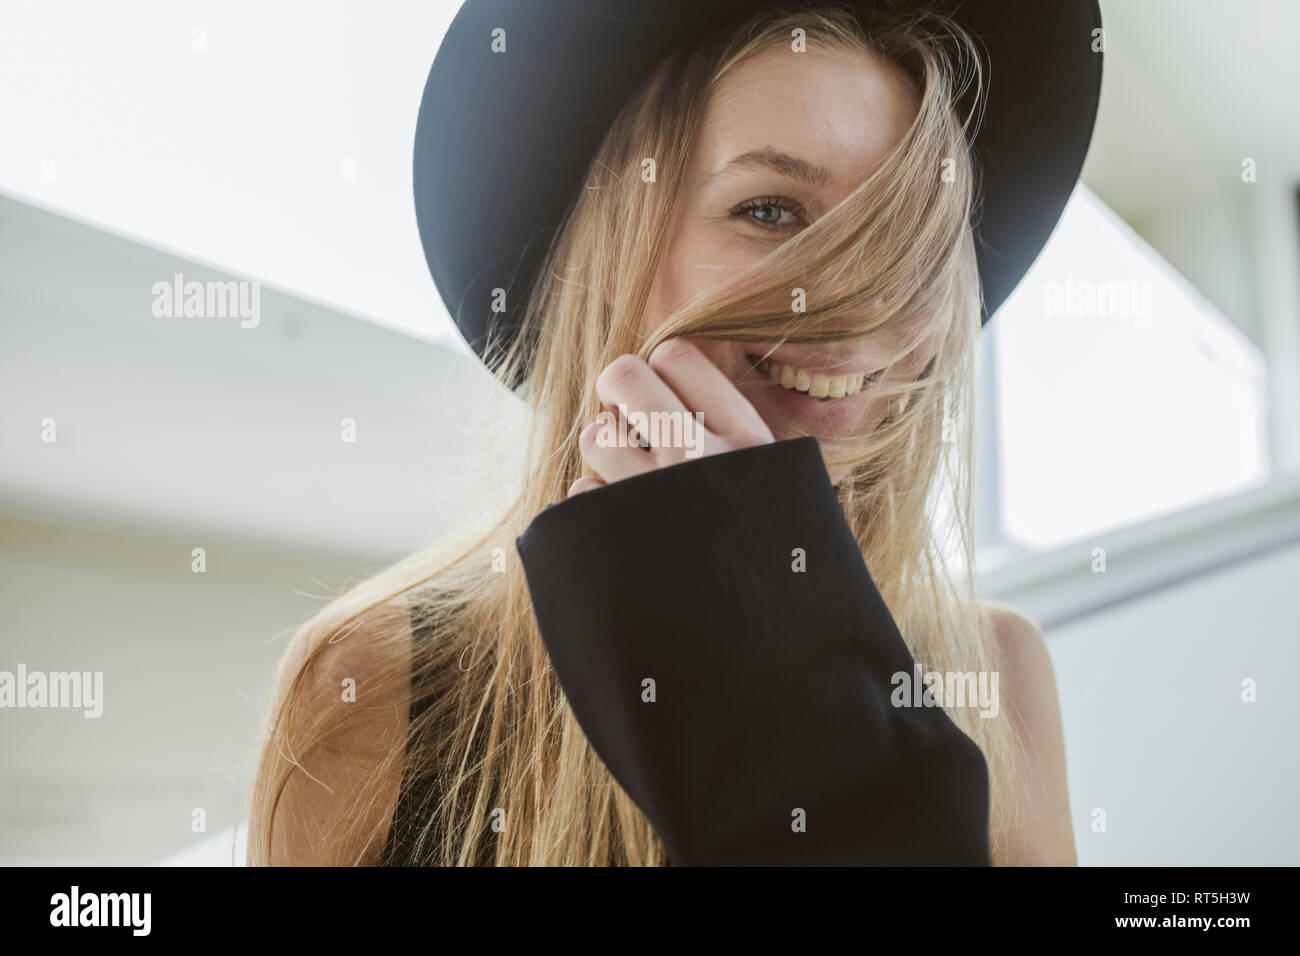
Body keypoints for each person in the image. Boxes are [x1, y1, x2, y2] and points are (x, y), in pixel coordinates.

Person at [248, 0, 1100, 866]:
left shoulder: (998, 670)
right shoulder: (373, 682)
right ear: (610, 258)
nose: (866, 298)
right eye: (770, 210)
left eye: (911, 240)